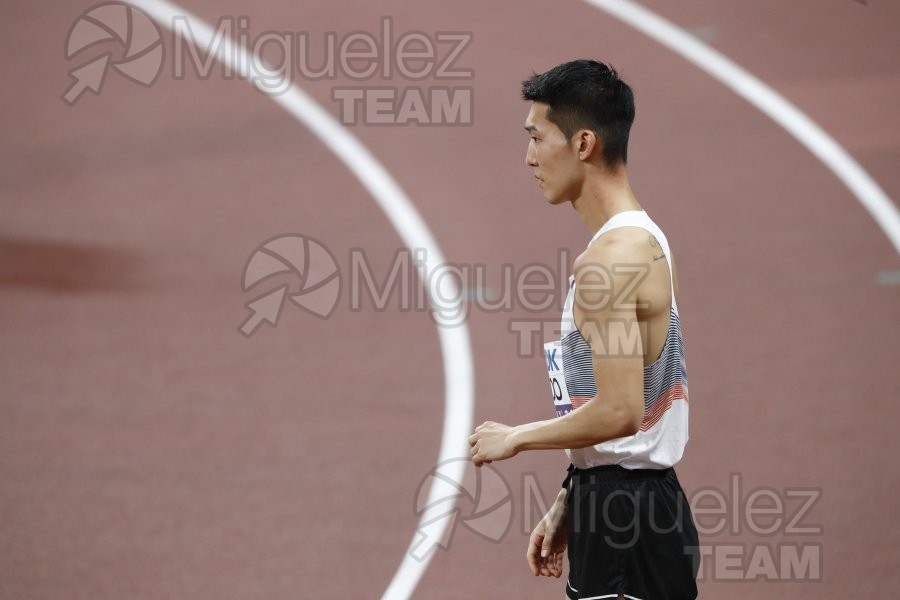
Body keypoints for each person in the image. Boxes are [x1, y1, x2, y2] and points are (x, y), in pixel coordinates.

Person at [468, 59, 699, 600]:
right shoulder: (645, 239)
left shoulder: (607, 265)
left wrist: (515, 438)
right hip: (628, 508)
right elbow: (630, 405)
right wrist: (576, 492)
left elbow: (621, 412)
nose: (528, 157)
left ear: (583, 144)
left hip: (627, 526)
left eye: (536, 137)